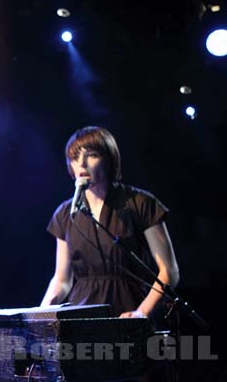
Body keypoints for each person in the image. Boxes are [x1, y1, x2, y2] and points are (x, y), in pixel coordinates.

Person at [40, 126, 180, 320]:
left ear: (108, 159)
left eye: (92, 155)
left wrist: (142, 312)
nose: (82, 164)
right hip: (82, 317)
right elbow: (62, 280)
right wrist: (39, 315)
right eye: (74, 157)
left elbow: (169, 271)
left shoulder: (140, 203)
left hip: (129, 310)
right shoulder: (65, 213)